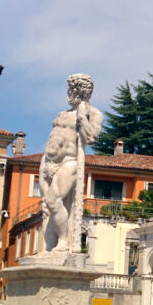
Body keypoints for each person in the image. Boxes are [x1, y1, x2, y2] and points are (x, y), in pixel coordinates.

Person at [39, 74, 103, 252]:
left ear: (84, 92)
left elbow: (90, 137)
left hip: (70, 162)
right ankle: (48, 246)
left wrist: (83, 118)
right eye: (70, 89)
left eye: (74, 89)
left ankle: (64, 241)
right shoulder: (62, 114)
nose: (71, 93)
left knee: (53, 201)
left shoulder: (94, 114)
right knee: (46, 206)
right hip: (48, 161)